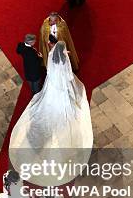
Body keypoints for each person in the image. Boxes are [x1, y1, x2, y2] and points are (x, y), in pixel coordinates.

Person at [9, 42, 93, 186]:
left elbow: (49, 71)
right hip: (61, 88)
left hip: (52, 85)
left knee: (45, 103)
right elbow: (69, 77)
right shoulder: (63, 62)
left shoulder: (51, 57)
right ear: (63, 52)